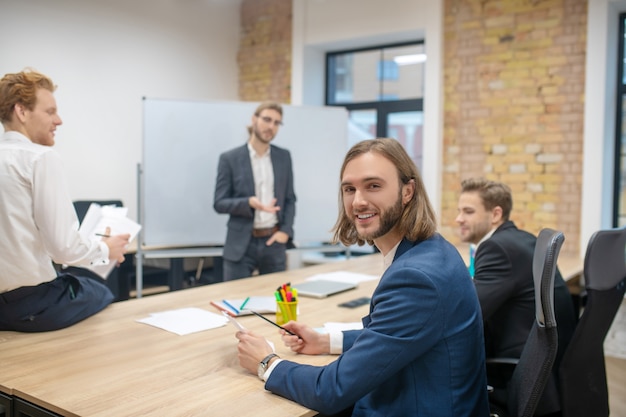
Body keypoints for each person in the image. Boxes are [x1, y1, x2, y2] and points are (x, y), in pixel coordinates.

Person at [235, 138, 489, 416]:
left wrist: (266, 363)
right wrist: (324, 340)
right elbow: (392, 334)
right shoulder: (432, 249)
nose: (358, 201)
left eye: (373, 186)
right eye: (349, 189)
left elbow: (331, 390)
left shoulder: (417, 278)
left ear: (408, 191)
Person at [0, 69, 130, 332]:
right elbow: (63, 248)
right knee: (99, 290)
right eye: (50, 112)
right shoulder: (40, 158)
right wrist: (106, 249)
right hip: (31, 305)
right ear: (22, 112)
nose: (58, 120)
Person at [455, 177, 578, 414]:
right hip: (550, 365)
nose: (458, 219)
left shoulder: (496, 248)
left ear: (495, 214)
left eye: (468, 211)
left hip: (519, 368)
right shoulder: (522, 238)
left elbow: (466, 314)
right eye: (459, 211)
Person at [213, 101, 296, 281]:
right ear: (254, 119)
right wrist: (248, 203)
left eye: (276, 123)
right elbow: (219, 202)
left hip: (273, 242)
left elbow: (290, 198)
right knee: (236, 303)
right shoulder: (230, 159)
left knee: (276, 303)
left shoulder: (284, 157)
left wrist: (285, 231)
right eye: (267, 119)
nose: (271, 126)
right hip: (241, 244)